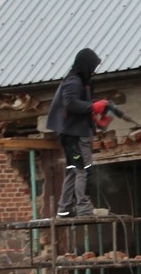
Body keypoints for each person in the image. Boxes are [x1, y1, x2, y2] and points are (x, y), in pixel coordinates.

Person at [45, 47, 108, 218]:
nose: (94, 71)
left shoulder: (82, 81)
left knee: (73, 169)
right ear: (86, 65)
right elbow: (70, 103)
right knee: (85, 169)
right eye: (93, 66)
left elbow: (81, 106)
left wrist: (95, 117)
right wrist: (93, 107)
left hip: (71, 132)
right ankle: (84, 208)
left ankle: (64, 209)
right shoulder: (74, 81)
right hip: (75, 135)